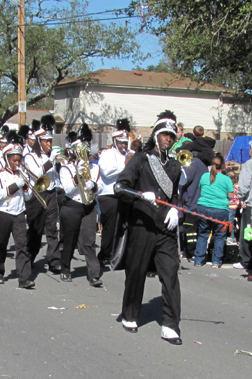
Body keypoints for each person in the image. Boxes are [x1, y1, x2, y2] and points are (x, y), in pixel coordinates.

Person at [115, 110, 183, 345]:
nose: (168, 139)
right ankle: (130, 314)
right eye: (164, 135)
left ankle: (170, 324)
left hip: (165, 229)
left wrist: (176, 209)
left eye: (172, 137)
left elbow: (176, 195)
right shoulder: (141, 160)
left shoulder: (175, 166)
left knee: (171, 274)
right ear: (155, 136)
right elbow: (120, 187)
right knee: (136, 271)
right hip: (142, 225)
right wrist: (141, 195)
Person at [58, 125, 103, 286]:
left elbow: (101, 187)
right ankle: (65, 269)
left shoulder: (96, 168)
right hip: (72, 206)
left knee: (89, 241)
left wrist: (94, 186)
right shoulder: (66, 168)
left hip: (89, 207)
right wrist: (78, 175)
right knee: (69, 240)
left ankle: (94, 275)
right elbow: (68, 189)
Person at [0, 132, 35, 289]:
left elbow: (28, 197)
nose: (17, 163)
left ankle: (24, 278)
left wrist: (27, 187)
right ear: (7, 159)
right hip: (3, 213)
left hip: (19, 213)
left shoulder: (23, 174)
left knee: (22, 245)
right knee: (1, 244)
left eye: (19, 160)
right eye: (14, 160)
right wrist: (17, 185)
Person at [24, 114, 61, 274]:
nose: (49, 144)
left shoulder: (51, 155)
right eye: (46, 141)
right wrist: (51, 161)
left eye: (50, 141)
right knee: (36, 230)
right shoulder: (30, 157)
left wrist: (59, 164)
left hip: (51, 194)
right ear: (39, 141)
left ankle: (54, 261)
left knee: (52, 229)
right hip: (37, 196)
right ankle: (29, 257)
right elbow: (38, 173)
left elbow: (55, 177)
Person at [97, 118, 133, 265]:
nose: (124, 145)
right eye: (121, 143)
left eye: (125, 142)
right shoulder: (106, 154)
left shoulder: (129, 154)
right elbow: (106, 172)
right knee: (110, 227)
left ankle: (120, 255)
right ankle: (105, 254)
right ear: (115, 141)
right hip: (109, 195)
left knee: (124, 226)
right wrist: (124, 165)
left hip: (125, 194)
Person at [193, 153, 234, 267]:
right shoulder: (226, 179)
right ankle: (216, 261)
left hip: (203, 207)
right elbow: (231, 196)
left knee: (203, 234)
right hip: (220, 209)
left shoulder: (204, 176)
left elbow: (201, 189)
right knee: (220, 236)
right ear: (223, 166)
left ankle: (198, 260)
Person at [234, 140, 252, 270]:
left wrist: (240, 198)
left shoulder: (250, 164)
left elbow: (244, 185)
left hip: (249, 203)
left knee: (246, 233)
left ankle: (246, 259)